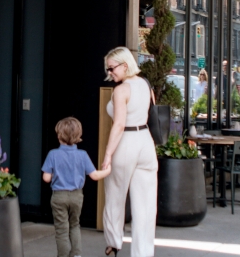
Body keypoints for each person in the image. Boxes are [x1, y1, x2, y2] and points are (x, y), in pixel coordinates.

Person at [101, 46, 158, 257]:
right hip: (146, 141)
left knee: (115, 196)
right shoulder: (145, 84)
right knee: (146, 205)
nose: (110, 73)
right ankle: (143, 253)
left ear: (125, 65)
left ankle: (113, 243)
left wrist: (107, 155)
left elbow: (119, 124)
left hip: (126, 141)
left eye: (112, 68)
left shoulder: (121, 90)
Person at [42, 117, 111, 257]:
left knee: (62, 230)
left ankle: (63, 255)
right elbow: (95, 176)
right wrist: (108, 170)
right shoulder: (83, 155)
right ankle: (76, 254)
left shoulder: (53, 154)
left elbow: (46, 178)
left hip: (59, 195)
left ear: (59, 135)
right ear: (78, 136)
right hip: (77, 195)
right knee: (75, 225)